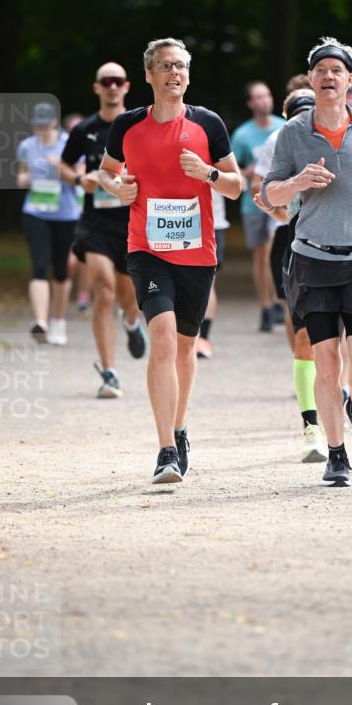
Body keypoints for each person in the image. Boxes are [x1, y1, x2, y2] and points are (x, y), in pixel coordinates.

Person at [98, 37, 242, 483]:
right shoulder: (127, 125)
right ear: (149, 75)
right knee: (161, 338)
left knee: (183, 347)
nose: (173, 72)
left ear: (188, 75)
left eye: (180, 66)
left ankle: (179, 429)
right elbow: (105, 170)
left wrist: (209, 173)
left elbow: (236, 185)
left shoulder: (208, 123)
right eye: (164, 65)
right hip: (147, 249)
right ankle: (164, 451)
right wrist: (117, 188)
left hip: (197, 251)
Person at [262, 37, 352, 488]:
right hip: (313, 260)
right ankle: (336, 455)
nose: (328, 76)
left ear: (349, 79)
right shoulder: (293, 132)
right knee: (325, 360)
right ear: (311, 79)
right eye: (320, 70)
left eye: (337, 70)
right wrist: (298, 181)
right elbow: (269, 193)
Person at [60, 62, 147, 398]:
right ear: (96, 87)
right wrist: (78, 179)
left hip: (131, 220)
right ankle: (110, 373)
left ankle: (131, 323)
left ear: (127, 86)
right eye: (105, 81)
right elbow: (64, 164)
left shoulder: (138, 124)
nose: (112, 86)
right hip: (95, 221)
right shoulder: (85, 129)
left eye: (117, 81)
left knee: (129, 298)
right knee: (104, 289)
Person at [254, 87, 328, 463]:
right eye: (298, 112)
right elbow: (272, 199)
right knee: (303, 335)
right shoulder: (280, 144)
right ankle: (311, 425)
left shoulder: (339, 137)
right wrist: (274, 206)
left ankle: (343, 394)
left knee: (340, 340)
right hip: (297, 246)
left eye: (309, 109)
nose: (304, 117)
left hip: (346, 249)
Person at [16, 102, 79, 345]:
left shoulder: (69, 143)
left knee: (61, 269)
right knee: (39, 265)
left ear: (54, 122)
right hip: (35, 211)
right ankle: (40, 322)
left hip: (66, 213)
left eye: (45, 124)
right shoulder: (27, 146)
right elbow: (21, 177)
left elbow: (80, 177)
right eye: (37, 125)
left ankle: (58, 321)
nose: (41, 129)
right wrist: (28, 177)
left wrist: (59, 168)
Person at [231, 81, 284, 332]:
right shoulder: (242, 135)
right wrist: (248, 171)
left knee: (277, 250)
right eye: (258, 97)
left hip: (280, 200)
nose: (264, 101)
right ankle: (265, 305)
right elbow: (231, 172)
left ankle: (279, 301)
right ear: (250, 103)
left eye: (267, 96)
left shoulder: (284, 127)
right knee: (261, 255)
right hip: (252, 204)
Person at [62, 112, 91, 312]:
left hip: (89, 215)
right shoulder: (63, 157)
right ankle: (64, 291)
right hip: (68, 214)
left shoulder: (96, 150)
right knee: (69, 261)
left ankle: (83, 295)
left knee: (84, 259)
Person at [195, 187, 228, 359]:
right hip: (175, 221)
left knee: (207, 283)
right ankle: (197, 339)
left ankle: (203, 338)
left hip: (211, 223)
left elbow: (237, 184)